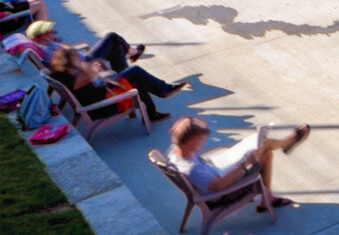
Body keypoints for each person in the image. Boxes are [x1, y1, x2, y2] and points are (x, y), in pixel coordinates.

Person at [168, 116, 309, 211]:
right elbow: (219, 186)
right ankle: (286, 144)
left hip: (216, 173)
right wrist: (246, 162)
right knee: (265, 152)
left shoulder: (176, 151)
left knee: (259, 146)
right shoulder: (192, 169)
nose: (203, 140)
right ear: (189, 142)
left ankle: (268, 198)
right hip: (224, 195)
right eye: (199, 139)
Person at [48, 44, 185, 123]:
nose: (79, 57)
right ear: (71, 61)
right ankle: (160, 95)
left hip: (101, 96)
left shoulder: (62, 73)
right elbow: (89, 78)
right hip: (104, 105)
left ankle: (156, 104)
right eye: (76, 56)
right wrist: (94, 70)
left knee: (134, 76)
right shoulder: (77, 78)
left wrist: (95, 72)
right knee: (135, 76)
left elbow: (89, 82)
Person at [27, 20, 144, 71]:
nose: (52, 31)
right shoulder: (49, 51)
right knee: (112, 36)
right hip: (86, 62)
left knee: (116, 48)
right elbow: (68, 62)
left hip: (83, 58)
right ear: (39, 37)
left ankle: (124, 72)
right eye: (48, 31)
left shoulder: (47, 43)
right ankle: (132, 53)